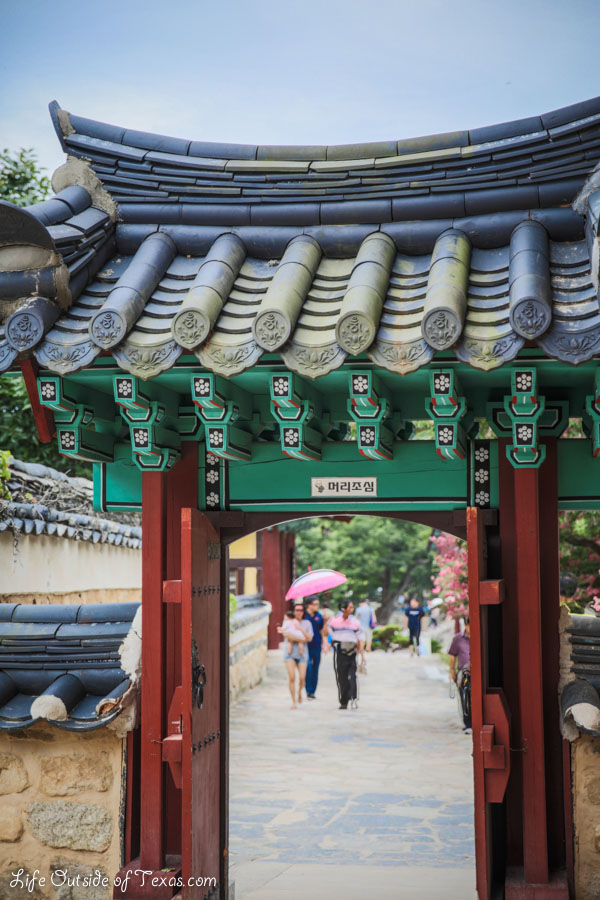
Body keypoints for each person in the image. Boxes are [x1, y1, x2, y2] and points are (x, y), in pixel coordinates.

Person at [328, 599, 364, 710]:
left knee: (352, 676)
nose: (352, 610)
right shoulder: (334, 622)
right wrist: (326, 622)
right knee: (342, 677)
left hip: (352, 652)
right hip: (340, 652)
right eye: (350, 607)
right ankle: (344, 701)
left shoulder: (355, 623)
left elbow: (360, 639)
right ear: (343, 609)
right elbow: (329, 634)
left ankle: (353, 698)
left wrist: (362, 654)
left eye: (353, 607)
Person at [280, 602, 313, 709]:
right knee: (292, 677)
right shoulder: (288, 621)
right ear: (294, 612)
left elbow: (309, 638)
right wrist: (301, 639)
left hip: (302, 654)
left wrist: (300, 630)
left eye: (301, 610)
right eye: (297, 610)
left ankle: (299, 692)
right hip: (289, 654)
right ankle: (293, 701)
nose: (299, 612)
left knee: (302, 678)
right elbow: (286, 634)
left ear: (303, 612)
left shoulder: (307, 623)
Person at [449, 620, 471, 733]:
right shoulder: (458, 639)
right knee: (465, 697)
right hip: (463, 673)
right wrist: (452, 670)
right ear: (466, 626)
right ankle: (468, 724)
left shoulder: (479, 636)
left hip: (477, 672)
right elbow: (452, 655)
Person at [303, 596, 328, 699]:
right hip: (305, 645)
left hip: (317, 645)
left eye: (318, 604)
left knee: (315, 668)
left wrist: (325, 645)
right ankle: (308, 689)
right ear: (309, 605)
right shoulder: (304, 616)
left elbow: (324, 632)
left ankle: (312, 691)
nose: (317, 606)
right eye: (315, 604)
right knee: (308, 667)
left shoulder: (319, 616)